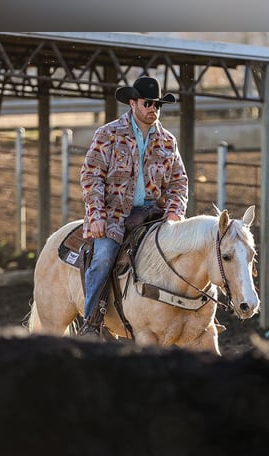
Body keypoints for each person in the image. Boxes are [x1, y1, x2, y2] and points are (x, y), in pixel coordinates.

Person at [78, 76, 189, 337]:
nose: (153, 109)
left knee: (187, 255)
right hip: (114, 216)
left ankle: (191, 318)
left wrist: (175, 211)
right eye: (148, 103)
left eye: (158, 105)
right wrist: (96, 215)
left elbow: (179, 181)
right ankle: (92, 322)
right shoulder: (108, 134)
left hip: (155, 216)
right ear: (133, 103)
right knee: (103, 258)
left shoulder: (168, 141)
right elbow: (90, 175)